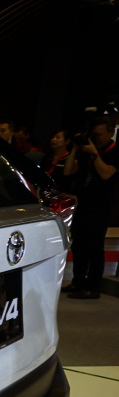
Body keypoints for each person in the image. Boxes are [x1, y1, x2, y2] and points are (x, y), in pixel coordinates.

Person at [62, 116, 119, 299]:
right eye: (93, 135)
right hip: (83, 203)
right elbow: (68, 171)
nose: (96, 139)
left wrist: (94, 154)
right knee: (78, 245)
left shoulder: (114, 151)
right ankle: (78, 281)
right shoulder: (86, 149)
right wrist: (75, 149)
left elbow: (106, 174)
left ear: (111, 133)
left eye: (99, 135)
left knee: (94, 247)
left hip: (101, 206)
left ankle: (93, 287)